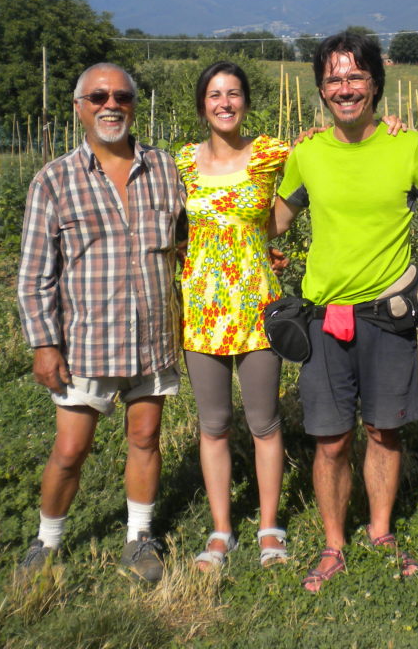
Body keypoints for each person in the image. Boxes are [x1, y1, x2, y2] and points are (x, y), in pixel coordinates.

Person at [269, 31, 418, 592]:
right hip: (324, 316)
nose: (344, 89)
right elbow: (273, 219)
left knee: (384, 431)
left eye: (355, 78)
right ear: (321, 90)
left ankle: (382, 532)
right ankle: (334, 543)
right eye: (333, 80)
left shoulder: (409, 147)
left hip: (389, 314)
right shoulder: (307, 152)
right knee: (330, 438)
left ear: (375, 85)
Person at [16, 63, 186, 582]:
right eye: (97, 97)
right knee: (70, 450)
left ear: (134, 105)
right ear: (79, 108)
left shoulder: (164, 169)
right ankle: (46, 542)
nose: (110, 105)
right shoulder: (54, 180)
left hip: (154, 333)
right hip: (89, 340)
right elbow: (33, 274)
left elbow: (186, 240)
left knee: (146, 437)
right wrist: (44, 344)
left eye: (121, 96)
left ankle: (139, 538)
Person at [174, 62, 288, 569]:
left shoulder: (268, 155)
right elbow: (169, 225)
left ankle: (269, 528)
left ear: (245, 102)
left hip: (258, 307)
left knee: (264, 422)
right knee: (214, 424)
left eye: (234, 93)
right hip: (201, 311)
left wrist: (388, 125)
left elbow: (330, 153)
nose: (225, 102)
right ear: (202, 105)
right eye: (215, 95)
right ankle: (221, 531)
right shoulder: (180, 163)